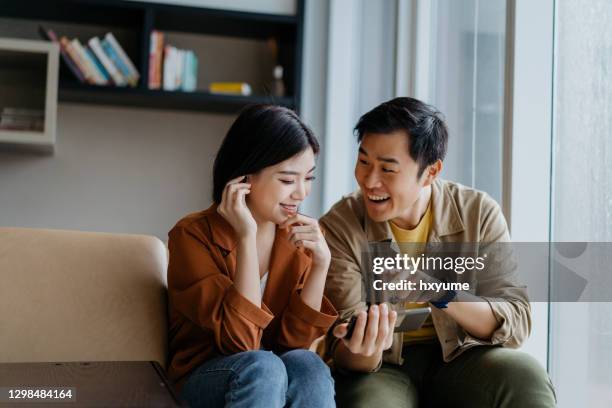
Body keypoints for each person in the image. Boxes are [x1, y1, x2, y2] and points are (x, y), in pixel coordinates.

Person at [320, 97, 556, 407]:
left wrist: (439, 293)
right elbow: (346, 352)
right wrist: (362, 345)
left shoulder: (478, 213)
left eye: (388, 169)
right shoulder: (339, 226)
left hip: (463, 356)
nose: (369, 180)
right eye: (363, 162)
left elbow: (515, 319)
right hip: (383, 368)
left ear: (431, 172)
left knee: (525, 375)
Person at [167, 104, 338, 408]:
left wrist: (320, 266)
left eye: (308, 178)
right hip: (203, 380)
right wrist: (246, 237)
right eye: (287, 180)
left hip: (269, 377)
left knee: (309, 365)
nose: (301, 193)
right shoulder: (191, 236)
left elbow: (295, 348)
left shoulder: (299, 238)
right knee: (263, 366)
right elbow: (241, 344)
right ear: (244, 177)